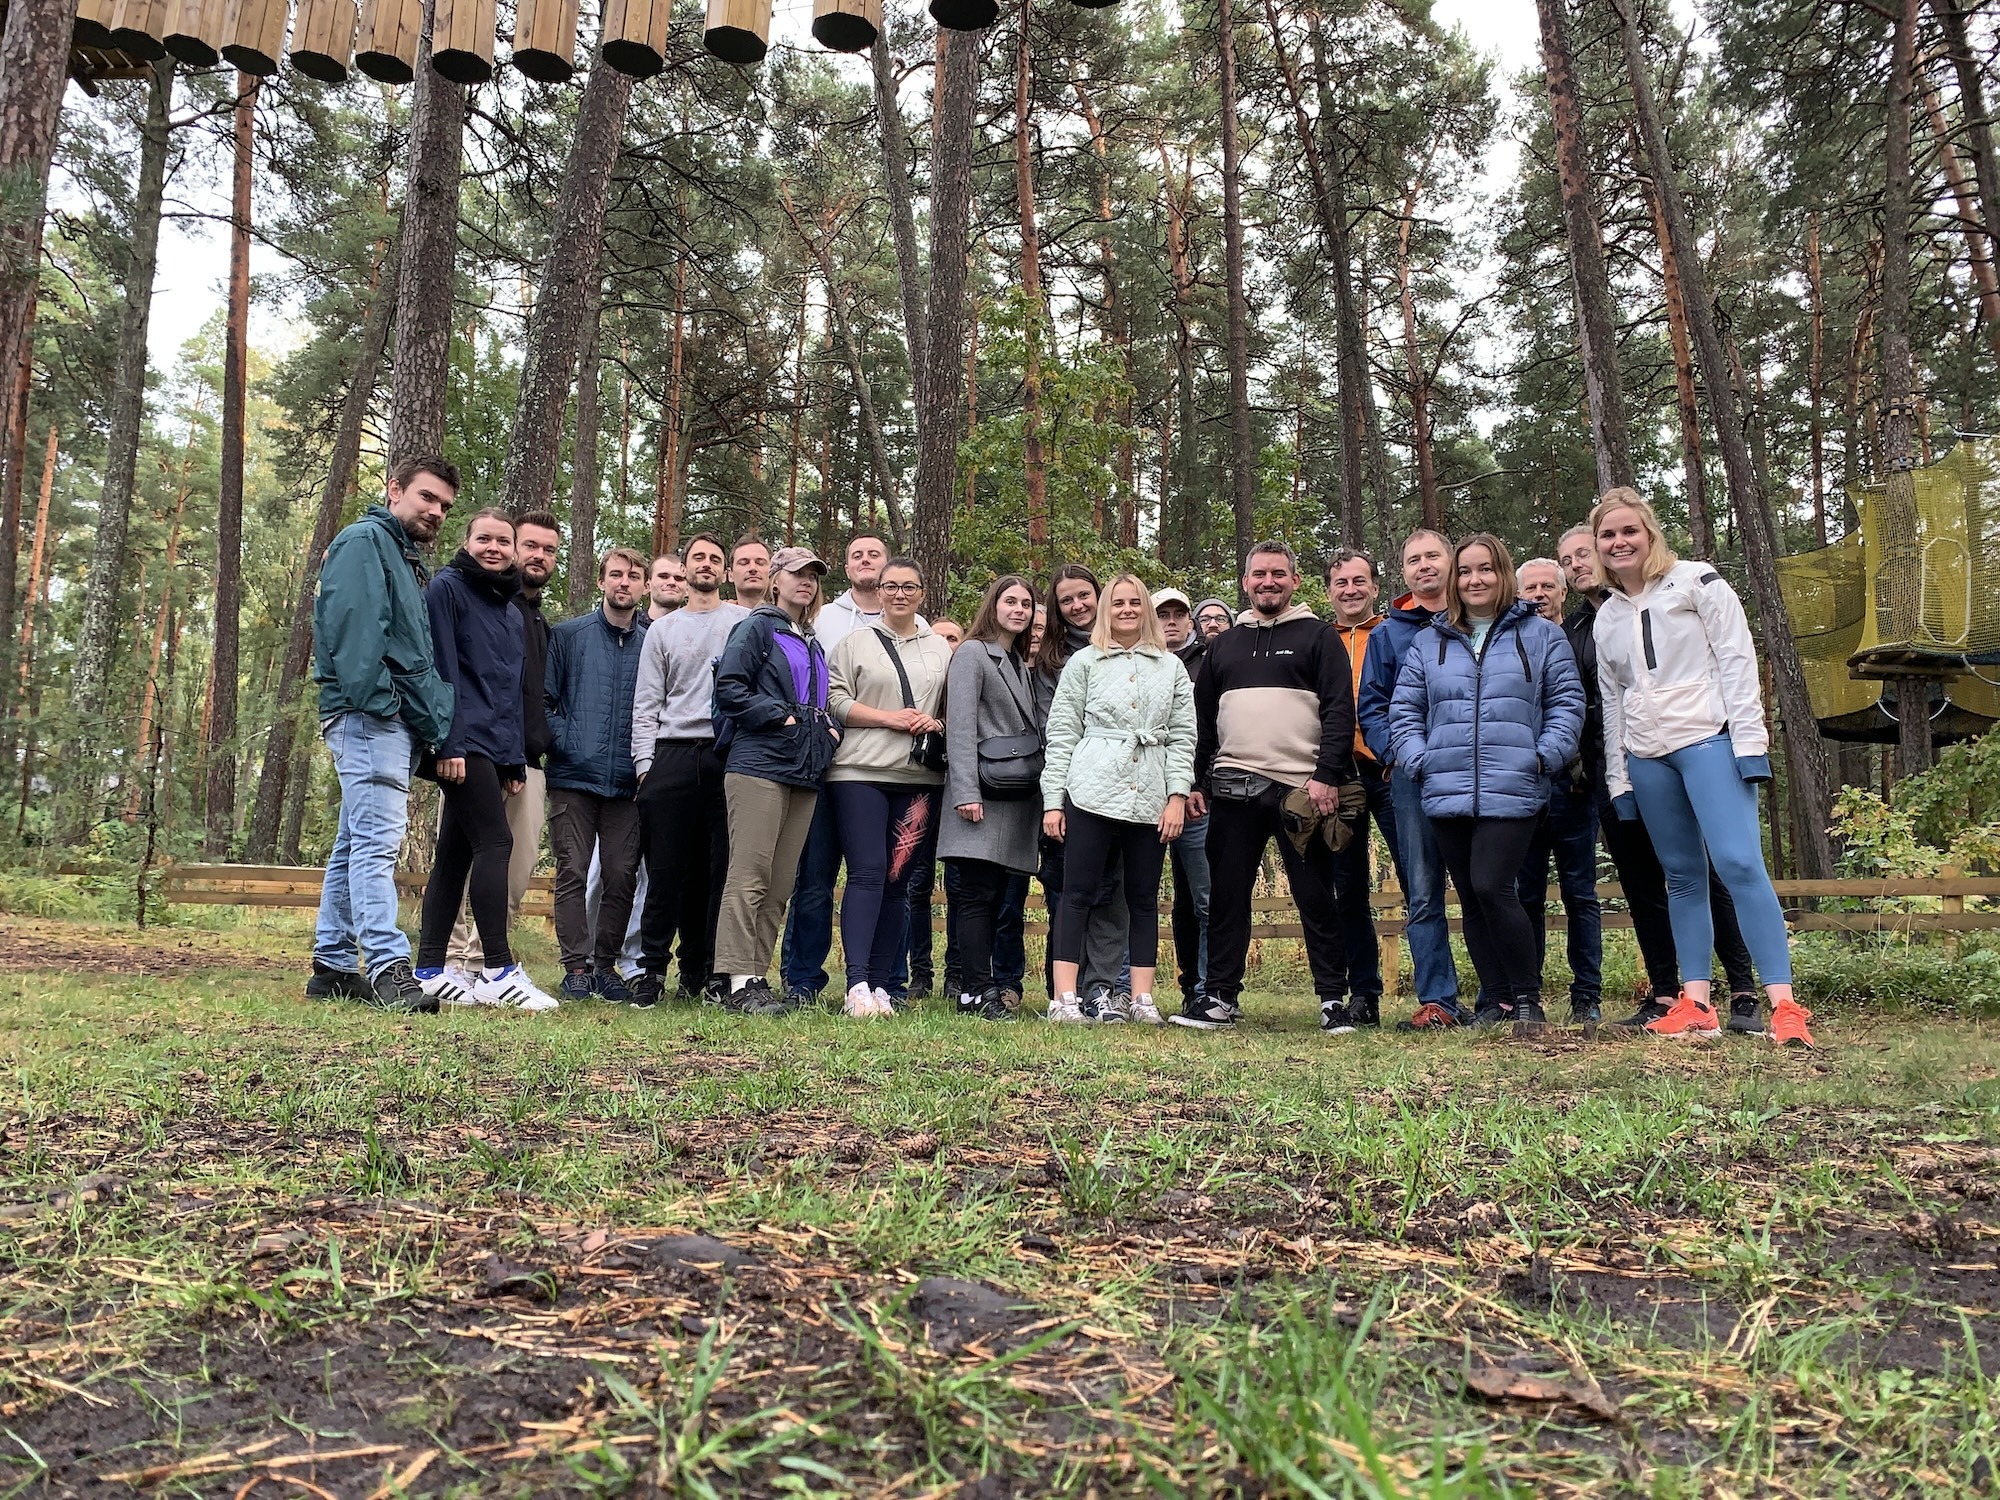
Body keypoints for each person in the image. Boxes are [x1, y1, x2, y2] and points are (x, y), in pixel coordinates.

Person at [1590, 490, 1813, 1047]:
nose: (1619, 543)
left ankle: (1784, 1005)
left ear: (1650, 533)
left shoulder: (1698, 582)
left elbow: (1738, 659)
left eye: (1628, 531)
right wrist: (1619, 777)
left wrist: (1749, 744)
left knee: (1739, 864)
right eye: (1608, 535)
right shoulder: (1608, 616)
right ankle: (1697, 1004)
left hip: (1708, 739)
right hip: (1647, 756)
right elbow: (1612, 699)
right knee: (1682, 877)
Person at [1556, 524, 1763, 1028]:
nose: (1578, 563)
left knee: (1710, 872)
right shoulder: (1581, 628)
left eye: (1583, 552)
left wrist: (1745, 740)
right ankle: (1668, 994)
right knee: (1645, 883)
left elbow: (1725, 662)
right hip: (1618, 770)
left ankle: (1742, 991)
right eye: (1568, 559)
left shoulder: (1673, 593)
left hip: (1685, 751)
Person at [1389, 534, 1584, 1031]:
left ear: (1504, 575)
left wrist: (1543, 757)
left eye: (1485, 570)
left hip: (1514, 784)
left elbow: (1566, 701)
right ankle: (1495, 1001)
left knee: (1493, 885)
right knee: (1471, 897)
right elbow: (1405, 711)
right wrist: (1420, 760)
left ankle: (1527, 999)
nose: (1475, 580)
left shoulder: (1540, 635)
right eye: (1466, 571)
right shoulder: (1430, 640)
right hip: (1446, 786)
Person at [1183, 541, 1359, 1031]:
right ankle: (1219, 997)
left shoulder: (1319, 637)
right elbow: (1201, 722)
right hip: (1233, 789)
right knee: (1227, 896)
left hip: (1301, 789)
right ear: (1245, 582)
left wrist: (1327, 775)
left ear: (1295, 581)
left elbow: (1340, 710)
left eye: (1278, 574)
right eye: (1258, 574)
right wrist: (1197, 781)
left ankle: (1331, 999)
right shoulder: (1224, 645)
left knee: (1316, 895)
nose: (1268, 582)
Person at [309, 456, 459, 1013]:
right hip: (370, 717)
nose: (436, 511)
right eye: (427, 497)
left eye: (444, 505)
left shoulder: (400, 555)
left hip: (386, 718)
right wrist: (385, 707)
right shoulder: (363, 542)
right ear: (394, 490)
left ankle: (332, 965)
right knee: (377, 844)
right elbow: (353, 635)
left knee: (354, 841)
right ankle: (389, 968)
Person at [409, 510, 558, 1012]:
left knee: (455, 850)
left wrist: (515, 761)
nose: (494, 548)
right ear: (466, 541)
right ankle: (496, 968)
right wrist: (446, 744)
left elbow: (511, 691)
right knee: (495, 841)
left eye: (503, 540)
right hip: (461, 742)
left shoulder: (511, 610)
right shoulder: (447, 590)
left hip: (497, 746)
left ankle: (429, 968)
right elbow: (442, 668)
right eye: (483, 539)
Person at [1041, 575, 1196, 1026]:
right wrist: (1054, 800)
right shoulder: (1084, 663)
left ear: (1145, 609)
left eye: (1135, 603)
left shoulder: (1170, 667)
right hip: (1089, 790)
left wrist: (1176, 796)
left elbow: (1184, 737)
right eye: (1118, 603)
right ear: (1106, 610)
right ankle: (1065, 998)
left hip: (1150, 794)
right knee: (1078, 892)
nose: (1126, 610)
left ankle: (1141, 998)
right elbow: (1063, 733)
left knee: (1143, 896)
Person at [713, 547, 841, 1013]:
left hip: (804, 772)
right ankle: (735, 980)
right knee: (749, 877)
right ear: (775, 579)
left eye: (812, 575)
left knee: (780, 883)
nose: (805, 581)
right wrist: (781, 718)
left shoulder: (810, 639)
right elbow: (729, 688)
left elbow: (822, 702)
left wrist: (828, 731)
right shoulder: (757, 627)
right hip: (758, 766)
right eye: (796, 574)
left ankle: (757, 977)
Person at [782, 534, 903, 1007]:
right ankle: (803, 979)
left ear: (889, 567)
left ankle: (884, 980)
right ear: (847, 567)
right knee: (814, 876)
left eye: (875, 554)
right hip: (823, 761)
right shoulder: (824, 618)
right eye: (856, 554)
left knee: (884, 876)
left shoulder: (909, 624)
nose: (866, 561)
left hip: (885, 768)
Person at [826, 557, 950, 1017]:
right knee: (867, 872)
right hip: (859, 773)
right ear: (878, 592)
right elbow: (835, 701)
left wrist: (934, 722)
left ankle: (881, 985)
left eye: (909, 587)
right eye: (891, 586)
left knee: (898, 881)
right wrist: (888, 719)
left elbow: (949, 707)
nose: (900, 594)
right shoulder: (853, 643)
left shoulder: (940, 648)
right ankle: (855, 982)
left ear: (922, 593)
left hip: (918, 779)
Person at [630, 532, 745, 1007]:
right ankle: (651, 970)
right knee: (666, 872)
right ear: (684, 567)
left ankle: (706, 973)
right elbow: (646, 702)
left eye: (715, 559)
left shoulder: (743, 621)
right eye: (698, 557)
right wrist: (644, 766)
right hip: (671, 754)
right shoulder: (663, 630)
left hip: (727, 756)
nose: (706, 565)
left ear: (725, 572)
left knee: (718, 873)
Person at [1357, 529, 1466, 1029]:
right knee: (1421, 889)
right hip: (1413, 776)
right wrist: (1398, 755)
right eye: (1413, 560)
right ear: (1403, 572)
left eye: (1433, 556)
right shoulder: (1388, 634)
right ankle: (1439, 1000)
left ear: (1452, 562)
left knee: (1485, 884)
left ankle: (1504, 995)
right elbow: (1372, 706)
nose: (1424, 566)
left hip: (1479, 772)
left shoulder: (1480, 621)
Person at [544, 547, 650, 1003]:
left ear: (644, 586)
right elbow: (545, 703)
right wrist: (567, 743)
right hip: (574, 776)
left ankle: (605, 965)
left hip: (630, 783)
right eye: (615, 575)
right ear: (602, 582)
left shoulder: (654, 641)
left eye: (633, 576)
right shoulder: (569, 636)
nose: (623, 583)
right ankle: (575, 967)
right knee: (571, 870)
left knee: (621, 874)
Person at [939, 575, 1044, 1020]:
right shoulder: (971, 653)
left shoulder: (1017, 661)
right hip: (980, 793)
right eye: (1010, 601)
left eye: (1026, 603)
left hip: (1014, 795)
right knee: (977, 897)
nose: (1019, 610)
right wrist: (965, 792)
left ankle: (985, 988)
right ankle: (974, 991)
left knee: (1000, 897)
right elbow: (959, 726)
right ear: (993, 605)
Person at [1035, 564, 1132, 1019]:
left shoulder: (1129, 651)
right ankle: (1065, 991)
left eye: (1084, 596)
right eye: (1066, 600)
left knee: (1113, 893)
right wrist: (1060, 794)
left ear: (1101, 596)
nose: (1077, 606)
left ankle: (1103, 987)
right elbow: (1053, 727)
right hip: (1071, 788)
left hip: (1125, 791)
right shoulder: (1051, 659)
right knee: (1069, 893)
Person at [1512, 556, 1604, 1024]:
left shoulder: (1582, 639)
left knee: (1580, 895)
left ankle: (1587, 995)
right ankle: (1527, 996)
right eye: (1530, 588)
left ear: (1563, 593)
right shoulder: (1509, 645)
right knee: (1524, 893)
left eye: (1549, 586)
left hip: (1573, 787)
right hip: (1522, 789)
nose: (1539, 594)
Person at [1323, 547, 1403, 1031]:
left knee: (1420, 880)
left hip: (1390, 771)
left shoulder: (1393, 633)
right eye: (1341, 583)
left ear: (1374, 586)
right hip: (1337, 774)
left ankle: (1439, 992)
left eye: (1359, 582)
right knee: (1347, 888)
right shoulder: (1319, 639)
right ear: (1329, 590)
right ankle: (1364, 994)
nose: (1350, 591)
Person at [1154, 586, 1212, 1016]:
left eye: (1179, 614)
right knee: (1133, 896)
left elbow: (1213, 732)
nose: (1171, 621)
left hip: (1195, 797)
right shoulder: (1137, 663)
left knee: (1203, 896)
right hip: (1139, 797)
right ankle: (1121, 989)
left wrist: (1200, 786)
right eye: (1163, 614)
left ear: (1190, 620)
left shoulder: (1211, 661)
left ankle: (1207, 988)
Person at [729, 534, 771, 608]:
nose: (753, 568)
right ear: (730, 574)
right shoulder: (716, 618)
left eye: (760, 563)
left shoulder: (789, 617)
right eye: (743, 563)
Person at [647, 552, 688, 619]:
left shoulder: (698, 628)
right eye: (664, 577)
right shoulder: (629, 626)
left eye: (679, 578)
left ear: (687, 589)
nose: (672, 582)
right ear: (648, 585)